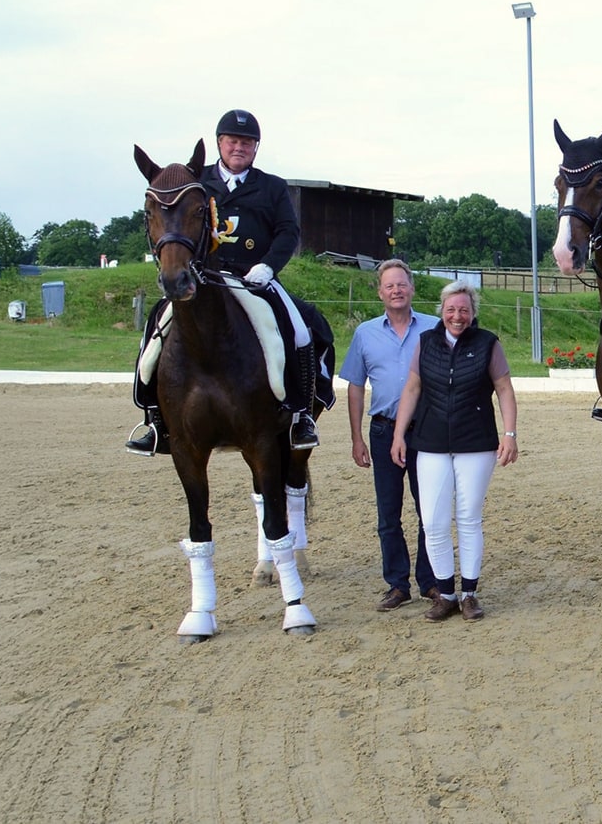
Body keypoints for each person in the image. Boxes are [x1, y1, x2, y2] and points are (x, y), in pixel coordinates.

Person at [126, 108, 326, 454]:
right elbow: (168, 218)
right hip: (204, 278)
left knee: (302, 330)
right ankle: (155, 419)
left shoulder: (272, 187)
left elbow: (287, 232)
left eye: (247, 142)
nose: (239, 147)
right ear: (220, 143)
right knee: (155, 331)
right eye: (233, 141)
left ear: (256, 148)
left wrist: (268, 266)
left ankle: (300, 415)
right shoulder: (194, 181)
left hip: (254, 277)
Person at [390, 281, 519, 622]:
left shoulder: (488, 343)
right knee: (432, 521)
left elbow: (504, 388)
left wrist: (509, 434)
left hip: (475, 441)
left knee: (468, 517)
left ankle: (470, 593)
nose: (457, 316)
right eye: (451, 310)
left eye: (463, 310)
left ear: (472, 312)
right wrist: (399, 434)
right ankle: (445, 593)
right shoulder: (426, 342)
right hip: (430, 441)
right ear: (441, 311)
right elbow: (412, 387)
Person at [342, 259, 440, 612]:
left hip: (425, 431)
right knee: (388, 513)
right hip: (383, 430)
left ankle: (430, 581)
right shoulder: (365, 334)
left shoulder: (433, 328)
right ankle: (397, 584)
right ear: (380, 292)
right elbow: (355, 386)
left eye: (402, 284)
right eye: (389, 286)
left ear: (412, 288)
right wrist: (357, 438)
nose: (396, 290)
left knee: (429, 509)